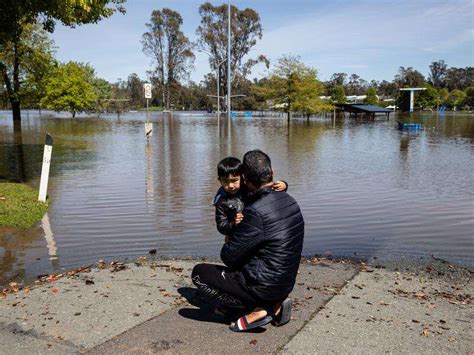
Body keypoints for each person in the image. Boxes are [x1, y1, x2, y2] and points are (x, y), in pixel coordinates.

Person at [192, 150, 304, 332]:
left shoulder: (255, 211)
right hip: (286, 281)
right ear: (272, 171)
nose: (231, 185)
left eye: (236, 180)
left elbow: (228, 257)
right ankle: (274, 303)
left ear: (244, 178)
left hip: (264, 285)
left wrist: (233, 236)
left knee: (199, 274)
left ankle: (259, 308)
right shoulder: (290, 201)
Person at [213, 156, 287, 238]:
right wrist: (234, 224)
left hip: (257, 230)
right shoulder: (221, 201)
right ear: (219, 180)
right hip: (238, 236)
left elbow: (266, 190)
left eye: (234, 180)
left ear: (242, 177)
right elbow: (221, 226)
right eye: (225, 181)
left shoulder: (248, 187)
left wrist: (283, 185)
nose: (230, 185)